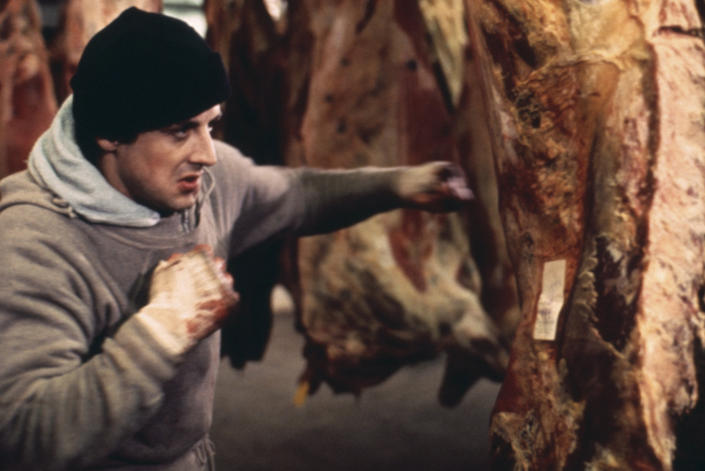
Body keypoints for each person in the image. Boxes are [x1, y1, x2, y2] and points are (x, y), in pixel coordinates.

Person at [0, 7, 473, 471]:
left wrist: (400, 185)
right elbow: (26, 437)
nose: (207, 153)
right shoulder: (34, 241)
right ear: (109, 134)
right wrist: (164, 327)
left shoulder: (205, 180)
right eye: (180, 130)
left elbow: (297, 196)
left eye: (211, 124)